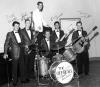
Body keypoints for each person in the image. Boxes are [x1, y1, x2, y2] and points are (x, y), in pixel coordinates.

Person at [3, 21, 25, 86]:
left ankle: (23, 79)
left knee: (22, 66)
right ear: (13, 26)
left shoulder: (20, 33)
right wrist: (5, 53)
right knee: (14, 68)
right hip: (14, 52)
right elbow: (6, 44)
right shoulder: (9, 34)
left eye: (18, 26)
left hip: (21, 51)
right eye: (16, 26)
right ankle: (14, 81)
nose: (17, 27)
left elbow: (22, 42)